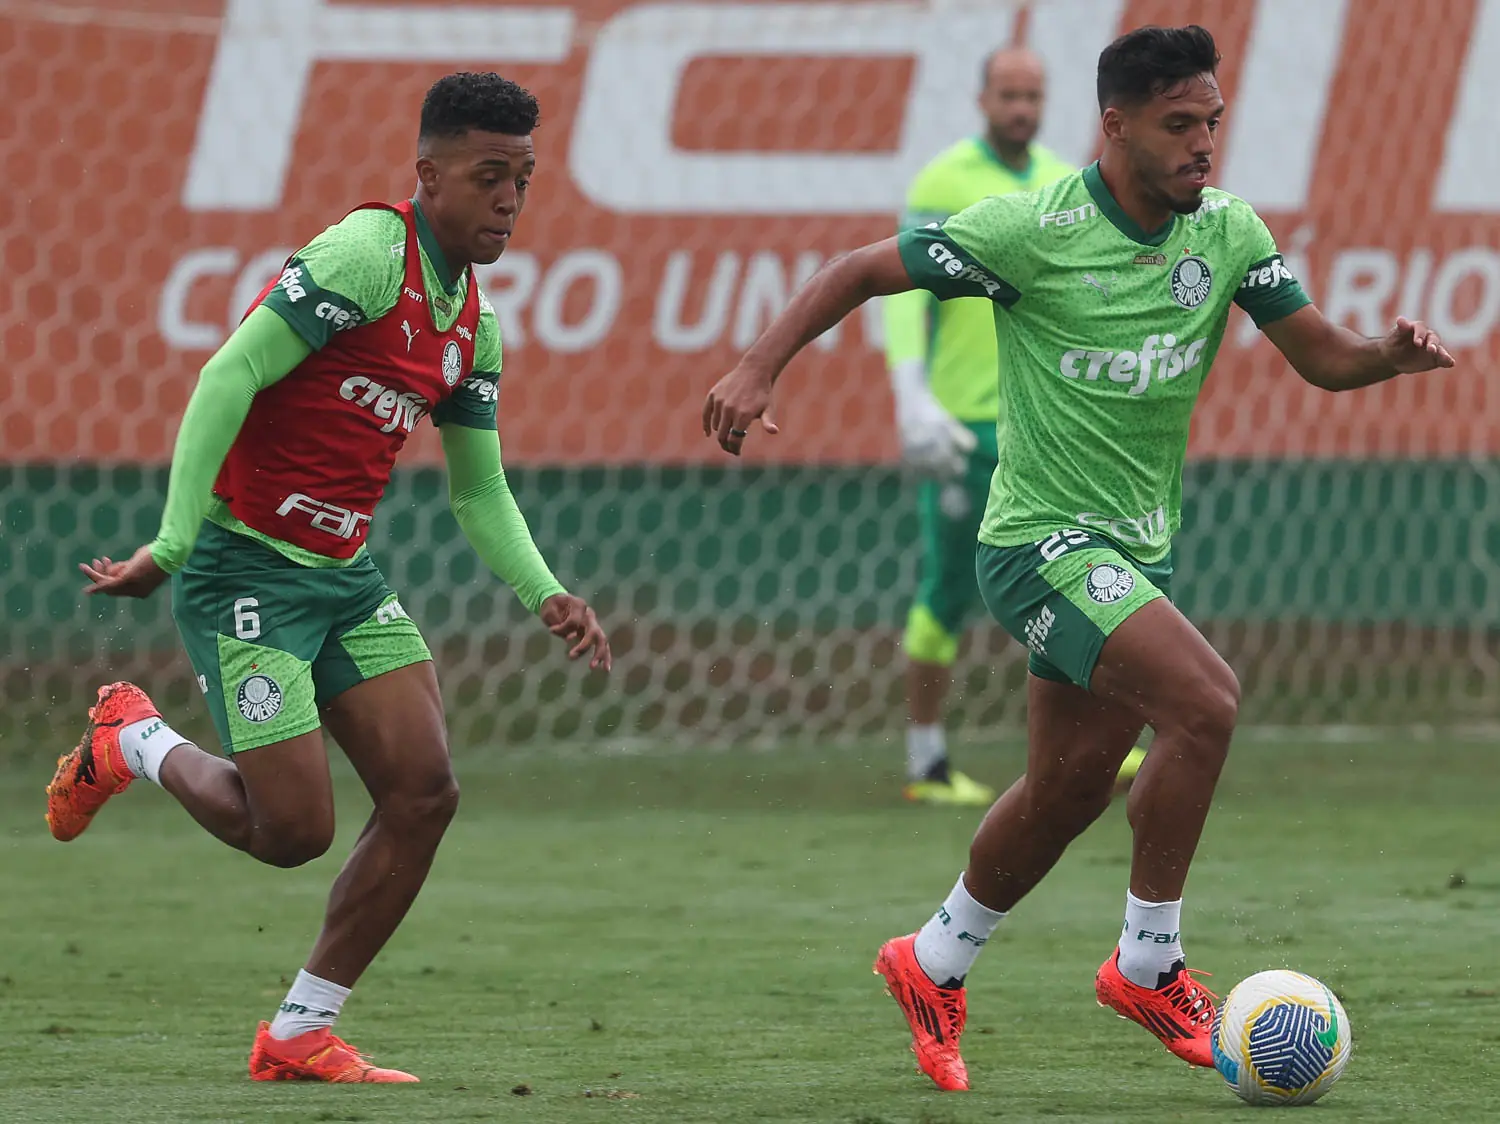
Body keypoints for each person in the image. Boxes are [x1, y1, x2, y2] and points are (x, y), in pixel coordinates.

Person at [703, 25, 1452, 1091]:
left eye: (1213, 123)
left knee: (1067, 787)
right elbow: (861, 268)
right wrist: (753, 367)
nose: (1204, 146)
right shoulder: (1031, 228)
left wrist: (1386, 355)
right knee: (1206, 702)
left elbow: (1322, 356)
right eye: (1180, 125)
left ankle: (932, 957)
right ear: (1116, 126)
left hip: (1132, 551)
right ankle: (1149, 961)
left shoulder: (1228, 232)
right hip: (1034, 543)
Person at [46, 72, 611, 1084]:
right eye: (490, 177)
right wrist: (172, 544)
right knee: (292, 831)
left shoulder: (473, 323)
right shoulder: (362, 254)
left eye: (522, 181)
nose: (509, 202)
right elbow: (230, 375)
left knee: (425, 790)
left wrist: (547, 592)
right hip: (240, 569)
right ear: (428, 175)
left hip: (345, 578)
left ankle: (303, 1027)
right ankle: (133, 737)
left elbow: (479, 493)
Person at [885, 47, 1074, 806]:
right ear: (982, 98)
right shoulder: (944, 181)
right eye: (1009, 94)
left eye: (1033, 94)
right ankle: (926, 759)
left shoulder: (1065, 181)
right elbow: (904, 291)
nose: (1022, 108)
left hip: (1048, 424)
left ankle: (1085, 744)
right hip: (964, 427)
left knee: (1077, 578)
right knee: (952, 586)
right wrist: (912, 396)